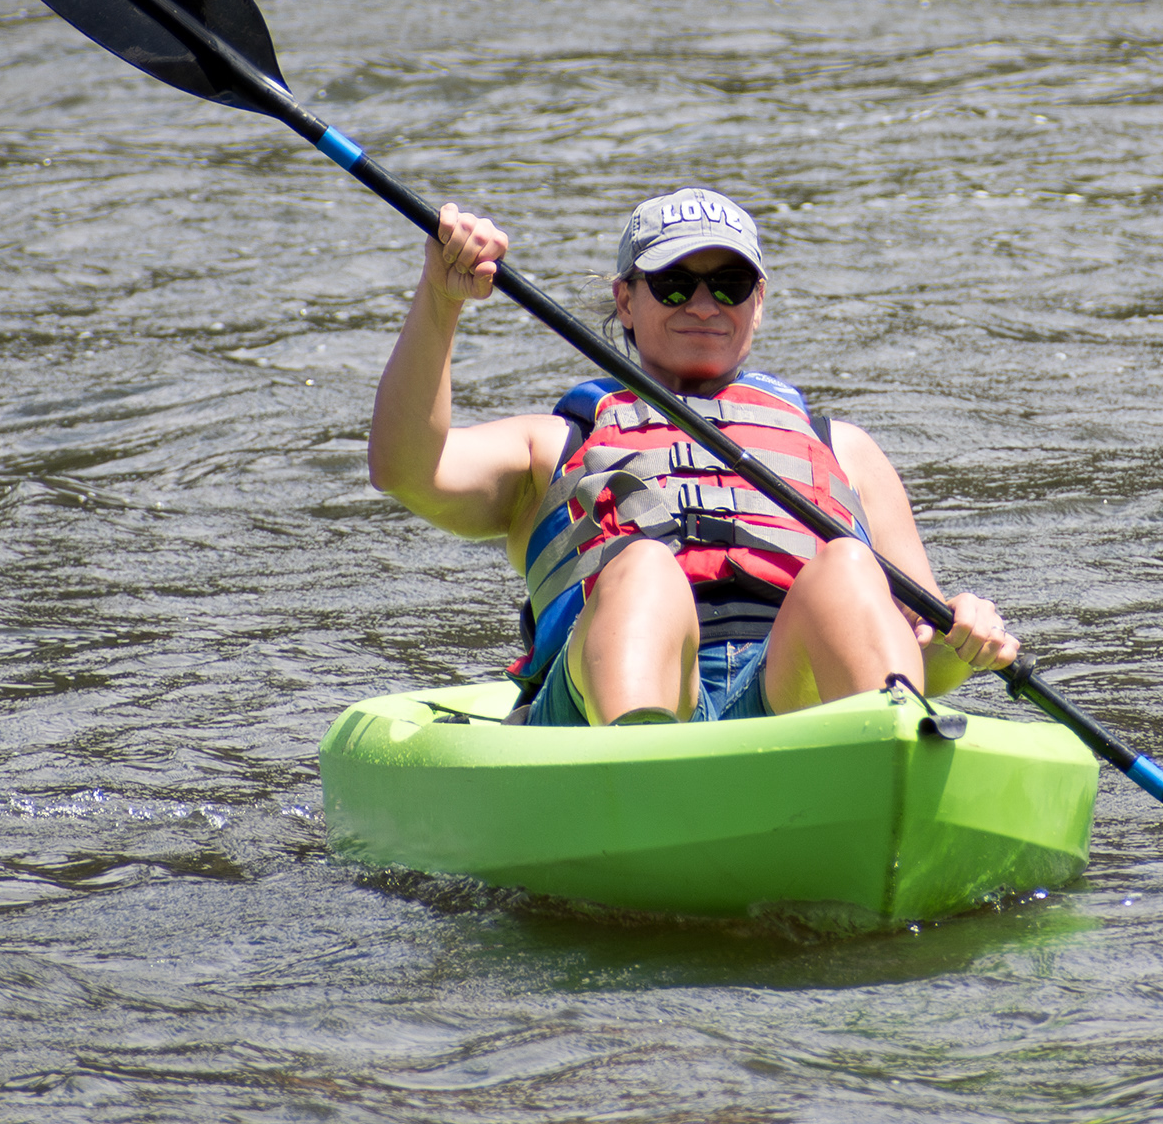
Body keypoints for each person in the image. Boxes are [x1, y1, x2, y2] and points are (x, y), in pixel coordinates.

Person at [368, 185, 1018, 727]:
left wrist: (965, 643)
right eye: (675, 285)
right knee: (644, 566)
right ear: (627, 299)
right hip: (610, 709)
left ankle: (888, 753)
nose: (705, 305)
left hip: (789, 696)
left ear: (758, 303)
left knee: (849, 565)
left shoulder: (844, 450)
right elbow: (405, 468)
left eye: (730, 284)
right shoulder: (555, 442)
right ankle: (644, 778)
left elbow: (927, 655)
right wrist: (441, 298)